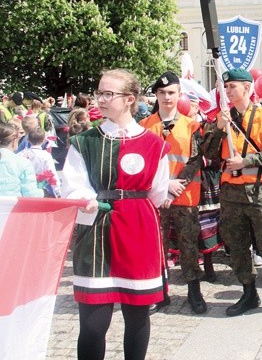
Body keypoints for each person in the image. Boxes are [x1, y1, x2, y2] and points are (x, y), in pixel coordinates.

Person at [61, 68, 169, 360]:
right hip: (96, 230)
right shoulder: (85, 141)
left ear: (129, 99)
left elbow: (158, 193)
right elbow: (72, 184)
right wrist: (85, 198)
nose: (100, 99)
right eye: (99, 92)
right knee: (93, 324)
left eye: (108, 94)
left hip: (138, 228)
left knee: (137, 317)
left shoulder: (154, 144)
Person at [211, 67, 262, 321]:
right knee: (237, 246)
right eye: (226, 87)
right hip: (231, 194)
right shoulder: (221, 117)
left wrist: (246, 161)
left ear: (247, 88)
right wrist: (217, 129)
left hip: (259, 192)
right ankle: (248, 293)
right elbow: (209, 152)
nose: (228, 91)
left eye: (232, 86)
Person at [140, 71, 207, 314]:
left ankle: (194, 291)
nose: (167, 97)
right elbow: (142, 162)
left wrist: (176, 184)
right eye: (162, 93)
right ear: (156, 95)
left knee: (188, 245)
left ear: (179, 95)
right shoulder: (144, 126)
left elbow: (196, 159)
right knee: (158, 245)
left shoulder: (193, 125)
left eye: (171, 93)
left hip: (186, 194)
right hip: (155, 197)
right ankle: (160, 292)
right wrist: (165, 185)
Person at [0, 122, 43, 197]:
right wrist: (43, 191)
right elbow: (30, 194)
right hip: (11, 206)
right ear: (15, 141)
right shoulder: (22, 162)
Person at [18, 128, 61, 197]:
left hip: (24, 187)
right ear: (44, 140)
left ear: (28, 139)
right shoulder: (46, 155)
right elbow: (52, 173)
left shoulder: (21, 154)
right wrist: (57, 191)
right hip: (41, 188)